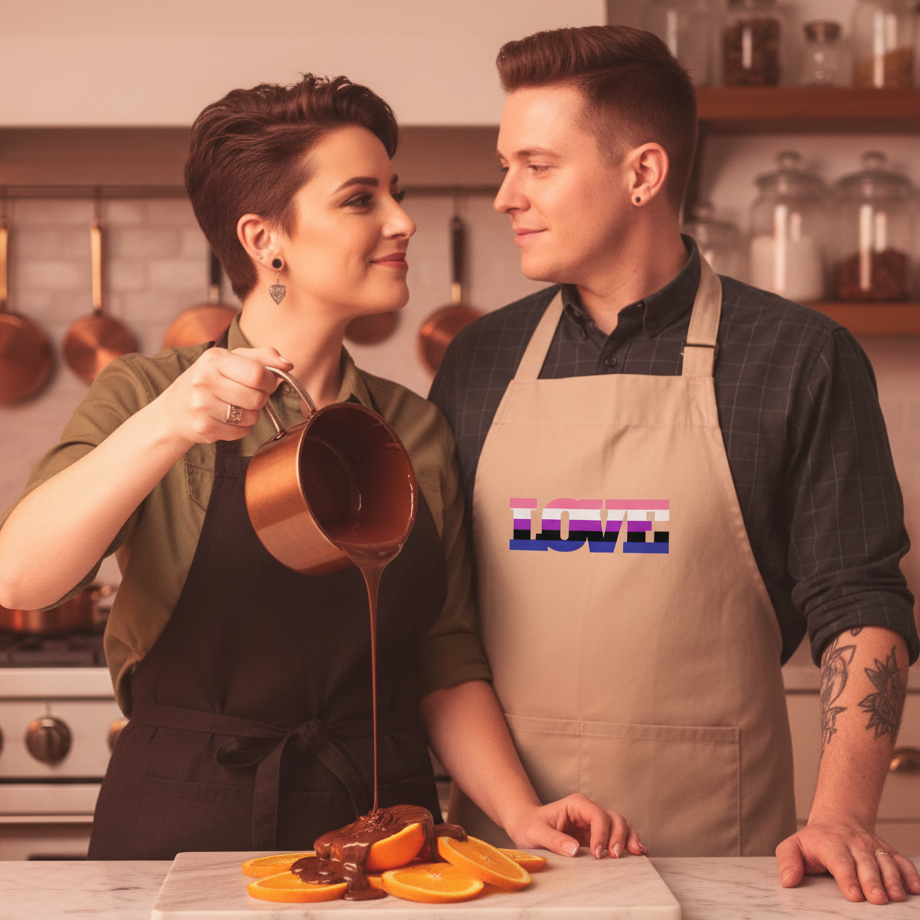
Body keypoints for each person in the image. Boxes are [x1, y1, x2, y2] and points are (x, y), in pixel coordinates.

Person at [0, 74, 642, 862]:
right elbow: (20, 578)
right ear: (265, 238)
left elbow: (444, 655)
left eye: (394, 193)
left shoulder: (416, 426)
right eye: (360, 199)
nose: (402, 221)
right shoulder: (146, 395)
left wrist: (519, 811)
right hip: (181, 824)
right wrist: (167, 426)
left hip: (386, 826)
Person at [428, 25, 920, 906]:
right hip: (504, 865)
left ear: (643, 174)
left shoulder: (799, 358)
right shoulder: (477, 362)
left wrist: (843, 815)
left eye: (536, 166)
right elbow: (439, 622)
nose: (506, 195)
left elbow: (861, 600)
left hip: (723, 866)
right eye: (507, 165)